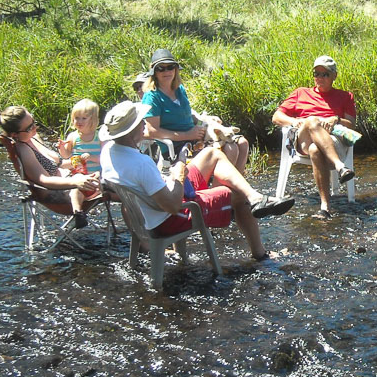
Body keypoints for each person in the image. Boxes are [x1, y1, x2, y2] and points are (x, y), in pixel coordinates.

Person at [99, 101, 286, 260]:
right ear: (132, 131)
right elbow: (172, 206)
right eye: (141, 122)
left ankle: (255, 197)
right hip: (171, 217)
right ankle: (260, 255)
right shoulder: (141, 163)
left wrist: (174, 173)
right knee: (237, 195)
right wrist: (178, 175)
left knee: (212, 153)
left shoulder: (109, 152)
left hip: (149, 208)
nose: (144, 125)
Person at [271, 55, 357, 220]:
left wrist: (336, 119)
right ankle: (340, 167)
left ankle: (325, 208)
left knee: (315, 149)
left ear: (334, 76)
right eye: (316, 73)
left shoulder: (345, 96)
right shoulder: (300, 93)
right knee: (312, 121)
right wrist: (297, 121)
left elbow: (352, 125)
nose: (319, 78)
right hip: (303, 137)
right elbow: (276, 117)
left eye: (325, 74)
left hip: (332, 140)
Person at [0, 105, 101, 228]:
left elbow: (59, 164)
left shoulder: (33, 138)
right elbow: (44, 180)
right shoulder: (23, 149)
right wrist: (75, 182)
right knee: (112, 188)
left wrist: (78, 160)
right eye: (29, 127)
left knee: (106, 178)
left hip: (68, 179)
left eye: (34, 122)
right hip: (57, 192)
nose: (35, 128)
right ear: (14, 134)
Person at [141, 49, 249, 173]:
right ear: (154, 72)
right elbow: (150, 131)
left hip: (196, 137)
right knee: (231, 149)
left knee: (242, 143)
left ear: (176, 69)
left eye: (170, 67)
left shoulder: (179, 89)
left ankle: (234, 189)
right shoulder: (152, 96)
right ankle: (220, 189)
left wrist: (206, 119)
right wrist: (187, 135)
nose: (167, 71)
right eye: (161, 68)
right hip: (177, 147)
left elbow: (185, 113)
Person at [57, 99, 105, 174]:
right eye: (77, 118)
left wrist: (91, 157)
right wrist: (61, 148)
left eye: (84, 118)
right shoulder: (73, 136)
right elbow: (66, 155)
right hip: (78, 175)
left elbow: (105, 159)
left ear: (92, 119)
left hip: (97, 175)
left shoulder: (100, 137)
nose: (79, 121)